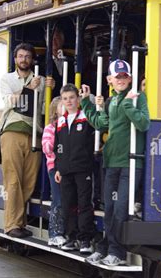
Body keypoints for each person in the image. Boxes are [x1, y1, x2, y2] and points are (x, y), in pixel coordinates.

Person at [84, 59, 150, 266]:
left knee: (121, 208)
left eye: (124, 76)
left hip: (130, 162)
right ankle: (106, 247)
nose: (121, 80)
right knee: (110, 208)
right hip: (111, 161)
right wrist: (86, 102)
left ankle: (118, 252)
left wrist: (129, 103)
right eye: (117, 77)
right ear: (109, 80)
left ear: (130, 78)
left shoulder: (138, 97)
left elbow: (143, 123)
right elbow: (101, 123)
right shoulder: (112, 101)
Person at [0, 43, 54, 238]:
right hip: (13, 131)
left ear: (32, 60)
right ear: (15, 59)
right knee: (12, 180)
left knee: (29, 182)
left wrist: (49, 91)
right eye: (20, 56)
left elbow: (42, 111)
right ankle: (11, 225)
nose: (24, 60)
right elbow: (11, 103)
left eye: (27, 56)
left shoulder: (38, 78)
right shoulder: (7, 79)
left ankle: (19, 223)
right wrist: (28, 88)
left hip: (35, 134)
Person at [54, 84, 97, 254]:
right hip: (65, 170)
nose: (69, 101)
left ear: (78, 99)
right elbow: (59, 147)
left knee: (84, 203)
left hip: (83, 169)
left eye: (72, 97)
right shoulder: (61, 121)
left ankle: (85, 239)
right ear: (62, 101)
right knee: (67, 205)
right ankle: (71, 238)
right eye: (65, 98)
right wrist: (58, 168)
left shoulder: (86, 117)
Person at [42, 97, 66, 246]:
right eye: (61, 105)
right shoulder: (50, 128)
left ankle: (65, 231)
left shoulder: (69, 126)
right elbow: (45, 147)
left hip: (68, 168)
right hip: (54, 167)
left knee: (67, 200)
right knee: (58, 199)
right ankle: (54, 233)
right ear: (55, 110)